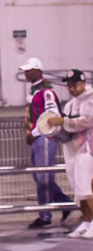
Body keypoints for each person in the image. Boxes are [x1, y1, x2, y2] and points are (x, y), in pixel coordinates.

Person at [21, 58, 72, 228]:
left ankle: (45, 216)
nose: (25, 73)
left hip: (44, 137)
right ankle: (65, 202)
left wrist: (34, 133)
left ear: (38, 70)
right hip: (38, 137)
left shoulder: (46, 90)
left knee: (44, 176)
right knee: (40, 176)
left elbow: (52, 115)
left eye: (29, 70)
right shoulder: (35, 90)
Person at [46, 69, 93, 238]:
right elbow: (67, 127)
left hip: (89, 150)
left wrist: (63, 121)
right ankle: (86, 223)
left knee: (88, 188)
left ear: (82, 82)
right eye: (68, 85)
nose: (71, 88)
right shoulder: (70, 104)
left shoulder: (90, 100)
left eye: (74, 84)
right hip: (74, 150)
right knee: (79, 190)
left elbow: (86, 121)